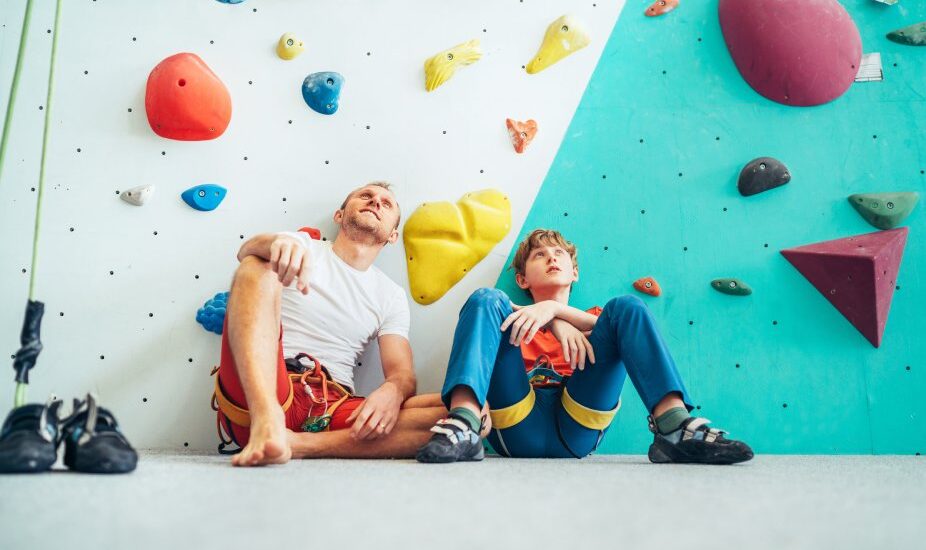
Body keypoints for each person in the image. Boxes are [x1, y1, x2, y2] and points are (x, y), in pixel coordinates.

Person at [416, 228, 754, 464]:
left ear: (574, 272)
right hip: (517, 419)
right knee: (485, 298)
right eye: (539, 255)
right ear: (522, 279)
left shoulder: (599, 319)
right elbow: (488, 337)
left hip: (578, 419)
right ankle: (465, 421)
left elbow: (619, 330)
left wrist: (555, 311)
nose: (551, 259)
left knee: (626, 306)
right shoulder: (509, 315)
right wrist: (549, 316)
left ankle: (674, 427)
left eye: (559, 254)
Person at [215, 182, 482, 466]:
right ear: (339, 215)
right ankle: (268, 421)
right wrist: (274, 243)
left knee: (471, 413)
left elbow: (402, 373)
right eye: (366, 196)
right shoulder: (303, 246)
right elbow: (246, 251)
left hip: (332, 404)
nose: (375, 202)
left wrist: (392, 390)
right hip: (268, 387)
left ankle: (296, 443)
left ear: (393, 235)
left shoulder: (391, 295)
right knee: (256, 265)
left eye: (386, 203)